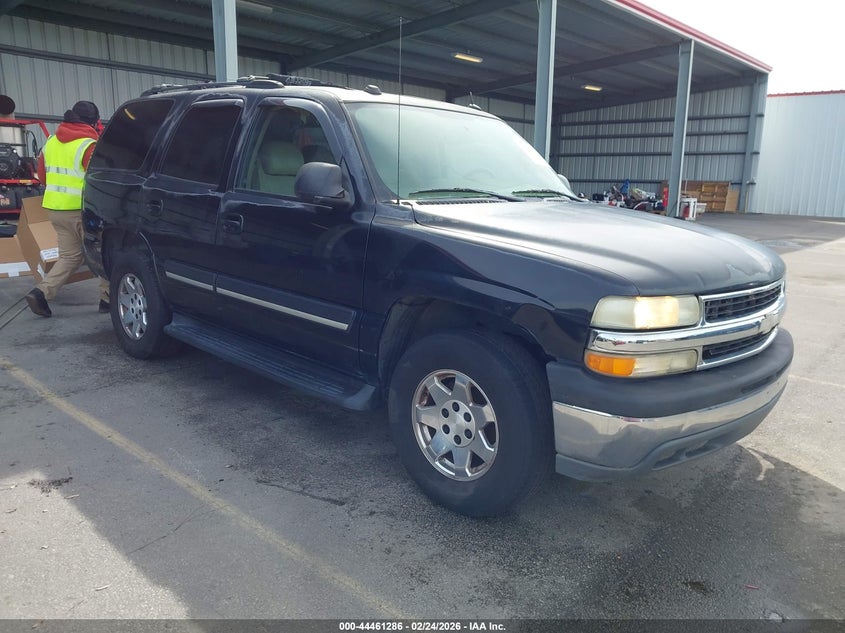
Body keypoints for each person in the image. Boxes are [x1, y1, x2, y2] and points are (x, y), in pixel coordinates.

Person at [25, 100, 110, 318]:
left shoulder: (51, 141)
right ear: (94, 122)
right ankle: (107, 300)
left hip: (55, 209)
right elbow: (98, 180)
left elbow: (42, 176)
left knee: (70, 257)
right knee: (102, 253)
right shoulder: (89, 145)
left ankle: (41, 292)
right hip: (82, 211)